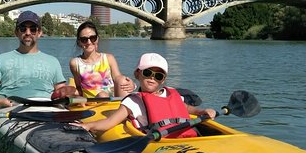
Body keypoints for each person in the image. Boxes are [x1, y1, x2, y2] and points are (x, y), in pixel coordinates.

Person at [79, 53, 216, 137]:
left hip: (186, 138)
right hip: (159, 142)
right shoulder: (133, 101)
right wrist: (88, 126)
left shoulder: (171, 93)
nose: (152, 78)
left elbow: (186, 108)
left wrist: (201, 111)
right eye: (147, 73)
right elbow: (110, 122)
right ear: (137, 74)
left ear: (163, 79)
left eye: (158, 75)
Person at [0, 11, 67, 99]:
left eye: (33, 29)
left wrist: (68, 90)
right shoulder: (1, 60)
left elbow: (61, 91)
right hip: (10, 109)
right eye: (23, 29)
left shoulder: (53, 61)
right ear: (16, 32)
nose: (28, 33)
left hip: (45, 108)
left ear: (39, 33)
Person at [69, 21, 134, 98]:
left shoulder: (109, 58)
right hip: (92, 103)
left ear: (97, 39)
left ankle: (124, 107)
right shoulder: (75, 63)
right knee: (102, 95)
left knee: (122, 80)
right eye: (84, 39)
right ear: (79, 42)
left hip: (112, 99)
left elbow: (117, 77)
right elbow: (79, 88)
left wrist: (130, 84)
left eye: (92, 38)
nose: (89, 42)